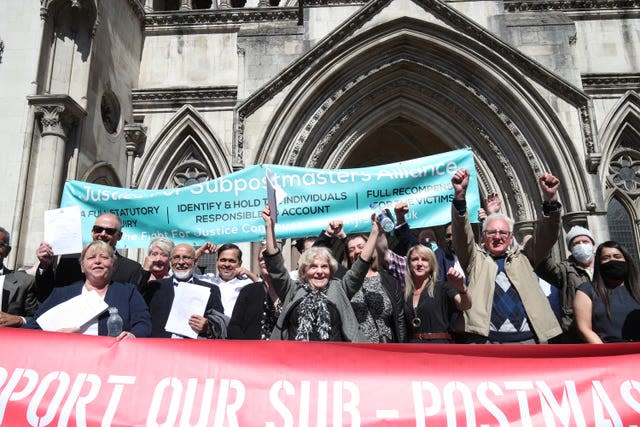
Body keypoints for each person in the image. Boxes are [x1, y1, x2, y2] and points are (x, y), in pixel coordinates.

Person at [451, 168, 563, 343]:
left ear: (511, 238)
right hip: (486, 342)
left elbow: (547, 236)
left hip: (528, 341)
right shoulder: (475, 259)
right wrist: (459, 196)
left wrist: (550, 201)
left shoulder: (526, 257)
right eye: (491, 233)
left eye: (503, 233)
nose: (497, 237)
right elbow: (461, 236)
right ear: (482, 236)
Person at [261, 204, 380, 342]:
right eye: (313, 267)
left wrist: (375, 231)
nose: (319, 271)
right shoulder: (292, 289)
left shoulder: (339, 288)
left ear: (331, 271)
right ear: (304, 271)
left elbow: (360, 267)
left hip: (334, 360)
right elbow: (275, 266)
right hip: (296, 360)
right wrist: (269, 226)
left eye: (324, 266)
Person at [25, 240, 151, 339]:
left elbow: (143, 323)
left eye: (104, 257)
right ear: (82, 267)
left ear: (113, 265)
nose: (97, 261)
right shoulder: (61, 293)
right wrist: (55, 336)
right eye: (91, 257)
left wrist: (132, 335)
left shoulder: (128, 292)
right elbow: (32, 327)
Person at [35, 213, 143, 298]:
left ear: (119, 236)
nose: (103, 234)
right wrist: (45, 266)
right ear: (92, 231)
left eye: (109, 231)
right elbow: (47, 294)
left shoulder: (131, 269)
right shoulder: (69, 260)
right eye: (98, 229)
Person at [141, 243, 225, 339]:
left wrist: (208, 327)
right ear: (170, 261)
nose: (181, 262)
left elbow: (220, 322)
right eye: (176, 257)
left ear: (195, 262)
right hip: (160, 348)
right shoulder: (155, 287)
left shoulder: (211, 290)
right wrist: (145, 270)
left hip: (193, 350)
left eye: (186, 258)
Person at [536, 225, 595, 342]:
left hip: (603, 328)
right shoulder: (564, 270)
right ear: (570, 249)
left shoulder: (605, 266)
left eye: (585, 241)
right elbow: (542, 263)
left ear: (593, 245)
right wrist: (545, 235)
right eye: (576, 243)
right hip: (576, 334)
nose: (582, 245)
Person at [345, 231, 406, 343]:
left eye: (360, 247)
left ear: (371, 248)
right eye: (351, 249)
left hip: (386, 347)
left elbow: (400, 319)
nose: (357, 251)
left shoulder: (390, 281)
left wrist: (402, 348)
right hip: (356, 348)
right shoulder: (344, 282)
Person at [573, 241, 640, 343]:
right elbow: (584, 329)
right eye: (606, 258)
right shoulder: (586, 290)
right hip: (608, 354)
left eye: (617, 256)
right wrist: (605, 351)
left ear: (626, 260)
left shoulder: (637, 289)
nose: (612, 260)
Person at [404, 245, 470, 343]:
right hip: (413, 349)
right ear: (409, 264)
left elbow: (465, 305)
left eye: (425, 260)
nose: (419, 263)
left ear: (431, 265)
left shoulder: (442, 287)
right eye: (414, 259)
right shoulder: (405, 294)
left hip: (439, 346)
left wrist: (462, 287)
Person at [228, 248, 282, 340]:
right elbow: (234, 326)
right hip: (251, 351)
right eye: (261, 259)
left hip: (284, 351)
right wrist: (247, 349)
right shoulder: (248, 291)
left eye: (268, 257)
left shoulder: (291, 290)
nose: (264, 261)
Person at [197, 243, 258, 317]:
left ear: (239, 263)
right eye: (223, 260)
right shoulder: (207, 280)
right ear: (217, 262)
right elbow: (183, 275)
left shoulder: (248, 283)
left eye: (231, 261)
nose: (227, 264)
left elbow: (266, 291)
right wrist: (199, 252)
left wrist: (250, 274)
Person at [0, 227, 39, 327]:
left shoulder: (25, 282)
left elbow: (38, 319)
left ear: (7, 251)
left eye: (0, 245)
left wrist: (20, 320)